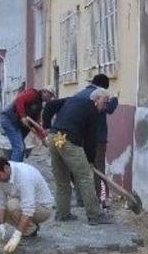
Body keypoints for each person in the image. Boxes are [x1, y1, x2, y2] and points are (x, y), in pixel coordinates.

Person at [48, 88, 114, 225]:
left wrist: (46, 125)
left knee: (62, 179)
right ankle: (95, 215)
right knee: (85, 178)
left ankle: (62, 213)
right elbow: (90, 139)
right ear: (96, 99)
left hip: (54, 137)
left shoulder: (73, 100)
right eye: (105, 102)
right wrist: (90, 160)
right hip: (67, 141)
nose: (106, 106)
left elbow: (50, 105)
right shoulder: (93, 112)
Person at [0, 156, 54, 254]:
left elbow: (28, 209)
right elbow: (0, 202)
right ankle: (28, 227)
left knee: (12, 205)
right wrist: (1, 225)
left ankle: (29, 230)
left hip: (43, 208)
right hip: (21, 203)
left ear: (6, 168)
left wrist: (16, 235)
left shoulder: (24, 176)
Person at [71, 74, 118, 207]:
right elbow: (109, 109)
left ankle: (81, 199)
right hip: (97, 138)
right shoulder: (101, 95)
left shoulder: (79, 94)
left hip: (79, 138)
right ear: (104, 86)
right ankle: (99, 199)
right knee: (99, 169)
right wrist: (115, 99)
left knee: (80, 168)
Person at [0, 88, 54, 162]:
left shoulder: (39, 105)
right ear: (44, 92)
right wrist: (23, 116)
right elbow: (19, 100)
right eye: (50, 96)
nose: (50, 98)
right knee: (19, 147)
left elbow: (35, 123)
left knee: (20, 147)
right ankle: (15, 167)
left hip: (16, 122)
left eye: (51, 97)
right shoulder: (33, 94)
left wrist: (43, 138)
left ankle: (14, 164)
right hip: (8, 119)